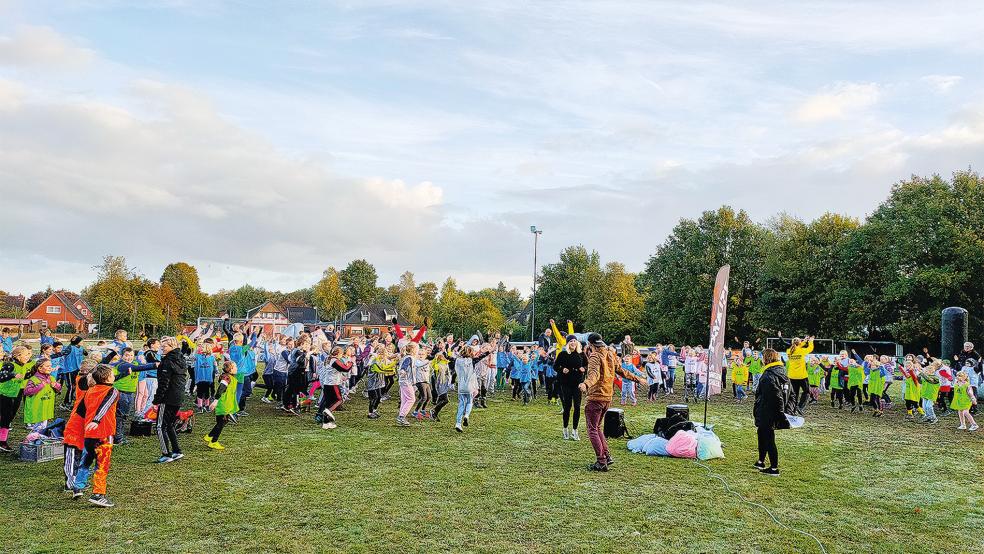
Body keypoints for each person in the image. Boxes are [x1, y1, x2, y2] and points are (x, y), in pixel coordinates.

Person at [580, 333, 645, 472]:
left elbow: (594, 375)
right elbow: (622, 371)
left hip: (596, 397)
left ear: (590, 344)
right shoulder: (610, 353)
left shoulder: (595, 356)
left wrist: (585, 384)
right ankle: (607, 456)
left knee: (592, 429)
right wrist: (638, 379)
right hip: (607, 397)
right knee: (597, 428)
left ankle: (601, 461)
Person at [752, 348, 790, 477]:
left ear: (767, 358)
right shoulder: (779, 371)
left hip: (768, 411)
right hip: (767, 409)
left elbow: (775, 396)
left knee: (769, 438)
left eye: (763, 357)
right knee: (761, 434)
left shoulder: (769, 375)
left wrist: (781, 414)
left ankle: (774, 468)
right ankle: (761, 461)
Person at [152, 337, 187, 463]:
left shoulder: (167, 362)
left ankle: (166, 453)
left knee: (160, 426)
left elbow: (164, 383)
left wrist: (156, 401)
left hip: (168, 397)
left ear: (172, 346)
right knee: (170, 424)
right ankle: (177, 451)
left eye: (164, 346)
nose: (162, 348)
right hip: (178, 396)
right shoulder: (181, 359)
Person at [0, 345, 35, 451]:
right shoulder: (10, 365)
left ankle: (2, 441)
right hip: (4, 395)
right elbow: (1, 376)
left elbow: (24, 377)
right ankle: (2, 442)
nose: (28, 357)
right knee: (5, 419)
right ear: (18, 356)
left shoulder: (23, 365)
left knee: (9, 418)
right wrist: (12, 375)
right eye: (26, 355)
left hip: (15, 395)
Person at [554, 336, 586, 441]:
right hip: (566, 383)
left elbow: (587, 366)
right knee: (567, 407)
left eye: (574, 341)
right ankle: (565, 429)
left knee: (577, 406)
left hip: (577, 383)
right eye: (571, 341)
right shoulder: (563, 354)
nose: (573, 343)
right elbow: (555, 366)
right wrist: (562, 369)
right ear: (567, 343)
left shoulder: (581, 354)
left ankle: (575, 430)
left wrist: (583, 369)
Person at [204, 360, 239, 449]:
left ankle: (210, 436)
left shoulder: (230, 377)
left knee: (223, 421)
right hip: (223, 404)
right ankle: (213, 441)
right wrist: (215, 401)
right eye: (235, 367)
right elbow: (221, 389)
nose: (237, 368)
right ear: (230, 370)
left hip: (226, 404)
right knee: (221, 422)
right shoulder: (226, 378)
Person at [785, 336, 814, 415]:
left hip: (792, 375)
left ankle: (792, 410)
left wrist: (804, 341)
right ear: (799, 343)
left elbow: (795, 346)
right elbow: (810, 348)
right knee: (807, 391)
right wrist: (810, 341)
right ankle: (800, 406)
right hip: (802, 376)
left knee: (795, 393)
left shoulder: (788, 351)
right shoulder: (802, 351)